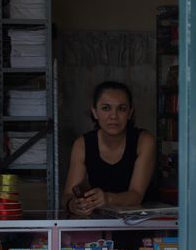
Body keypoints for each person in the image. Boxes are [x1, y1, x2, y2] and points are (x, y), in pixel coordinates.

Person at [63, 81, 157, 216]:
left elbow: (136, 194)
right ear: (95, 112)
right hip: (100, 225)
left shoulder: (144, 141)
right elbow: (68, 194)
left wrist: (107, 198)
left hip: (141, 222)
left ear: (130, 113)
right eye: (106, 108)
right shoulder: (82, 144)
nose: (114, 116)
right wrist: (74, 205)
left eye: (122, 109)